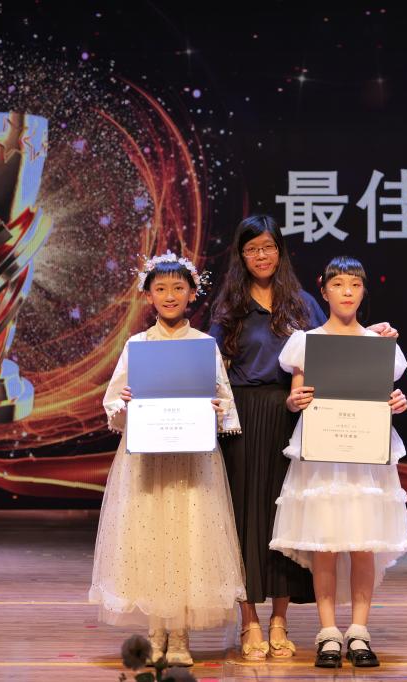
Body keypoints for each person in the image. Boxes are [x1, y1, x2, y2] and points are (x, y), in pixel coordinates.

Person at [208, 216, 396, 661]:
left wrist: (376, 336)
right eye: (252, 249)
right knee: (244, 517)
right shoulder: (229, 305)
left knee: (286, 519)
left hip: (296, 418)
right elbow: (210, 362)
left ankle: (280, 618)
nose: (261, 256)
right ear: (241, 255)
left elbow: (338, 346)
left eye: (268, 247)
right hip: (242, 418)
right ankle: (249, 620)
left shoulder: (302, 303)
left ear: (280, 251)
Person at [89, 252, 245, 667]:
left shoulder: (204, 345)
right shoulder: (137, 346)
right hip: (147, 460)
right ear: (149, 296)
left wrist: (216, 410)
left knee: (188, 539)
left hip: (192, 460)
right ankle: (156, 631)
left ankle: (180, 636)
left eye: (178, 288)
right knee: (150, 539)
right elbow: (112, 404)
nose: (170, 295)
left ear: (192, 294)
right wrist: (124, 403)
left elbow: (225, 401)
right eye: (161, 289)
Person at [269, 255, 407, 669]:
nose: (346, 292)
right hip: (323, 452)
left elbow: (388, 394)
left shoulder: (379, 344)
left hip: (366, 455)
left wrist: (398, 402)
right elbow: (295, 394)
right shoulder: (307, 342)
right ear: (324, 290)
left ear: (364, 291)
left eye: (354, 284)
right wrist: (294, 401)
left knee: (364, 542)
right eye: (338, 284)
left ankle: (360, 631)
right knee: (327, 544)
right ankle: (329, 632)